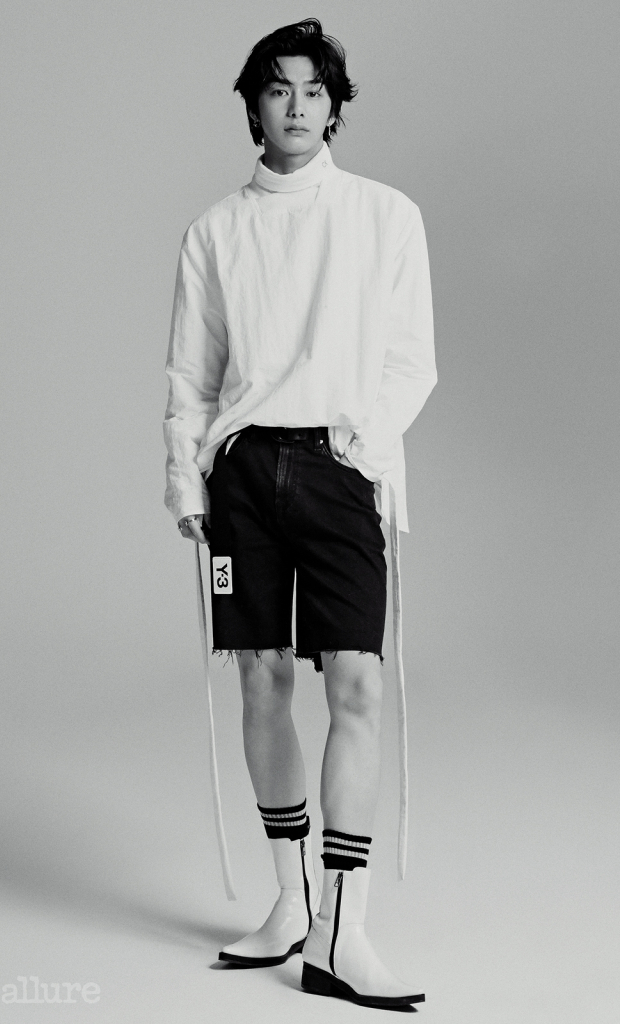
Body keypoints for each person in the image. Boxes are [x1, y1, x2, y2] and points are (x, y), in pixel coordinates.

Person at [163, 18, 436, 1010]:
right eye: (278, 89)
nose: (296, 106)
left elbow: (410, 358)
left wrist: (361, 449)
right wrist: (186, 482)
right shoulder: (214, 232)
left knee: (356, 685)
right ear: (254, 104)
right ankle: (291, 901)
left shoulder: (384, 215)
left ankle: (341, 932)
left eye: (314, 90)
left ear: (334, 106)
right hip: (242, 477)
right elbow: (190, 376)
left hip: (339, 469)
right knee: (262, 682)